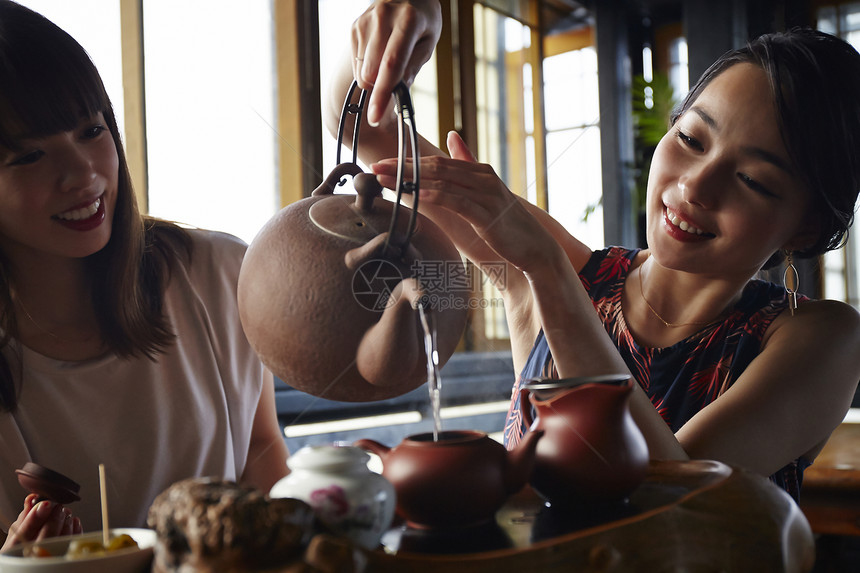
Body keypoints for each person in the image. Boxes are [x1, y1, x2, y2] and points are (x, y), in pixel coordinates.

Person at [329, 0, 860, 502]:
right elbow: (361, 129)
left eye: (751, 179)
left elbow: (669, 497)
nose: (696, 186)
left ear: (804, 228)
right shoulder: (574, 270)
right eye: (692, 140)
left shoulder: (820, 340)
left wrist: (546, 270)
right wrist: (408, 23)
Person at [0, 0, 288, 548]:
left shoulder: (219, 276)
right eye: (30, 155)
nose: (82, 173)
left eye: (90, 130)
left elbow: (260, 449)